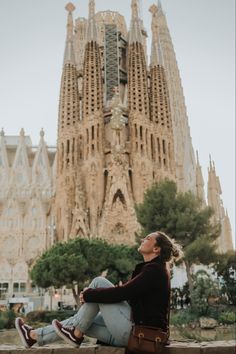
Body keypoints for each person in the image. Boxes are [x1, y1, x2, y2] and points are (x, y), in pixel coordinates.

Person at [15, 231, 181, 349]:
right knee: (80, 320)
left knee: (98, 282)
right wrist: (95, 296)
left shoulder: (155, 270)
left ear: (156, 249)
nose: (143, 239)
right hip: (131, 336)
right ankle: (34, 336)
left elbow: (123, 294)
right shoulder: (154, 269)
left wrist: (89, 295)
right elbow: (130, 296)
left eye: (148, 238)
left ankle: (75, 333)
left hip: (139, 335)